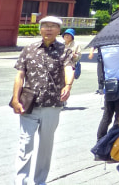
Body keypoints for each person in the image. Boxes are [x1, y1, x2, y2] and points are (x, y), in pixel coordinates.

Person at [11, 15, 75, 185]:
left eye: (52, 26)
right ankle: (21, 181)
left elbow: (69, 68)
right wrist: (15, 99)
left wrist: (68, 85)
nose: (48, 29)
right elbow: (20, 75)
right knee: (25, 143)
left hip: (52, 105)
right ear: (40, 29)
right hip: (29, 103)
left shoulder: (65, 51)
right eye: (45, 26)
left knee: (46, 146)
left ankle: (40, 181)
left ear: (58, 30)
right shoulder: (29, 49)